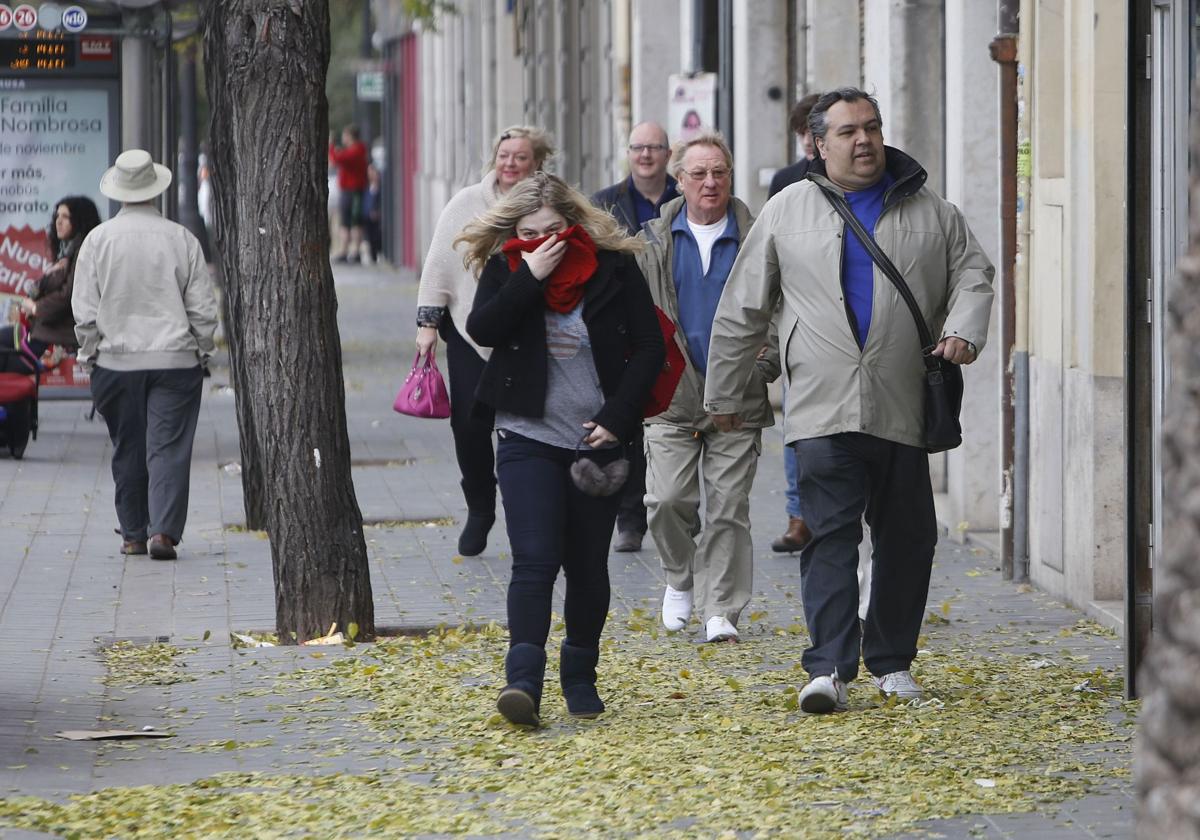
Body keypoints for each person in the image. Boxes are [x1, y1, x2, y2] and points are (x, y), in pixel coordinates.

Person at [704, 88, 995, 712]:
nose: (863, 141)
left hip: (903, 402)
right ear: (818, 144)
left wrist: (965, 328)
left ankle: (891, 661)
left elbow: (975, 271)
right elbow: (741, 308)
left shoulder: (933, 211)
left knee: (909, 539)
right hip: (820, 404)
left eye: (872, 128)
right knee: (829, 536)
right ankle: (829, 667)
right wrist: (726, 396)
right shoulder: (788, 210)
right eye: (847, 132)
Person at [459, 172, 663, 726]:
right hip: (526, 435)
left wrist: (618, 419)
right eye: (529, 231)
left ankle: (580, 674)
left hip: (595, 442)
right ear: (514, 230)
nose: (543, 240)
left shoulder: (613, 267)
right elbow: (484, 329)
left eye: (553, 230)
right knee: (534, 560)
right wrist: (529, 277)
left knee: (588, 566)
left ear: (573, 224)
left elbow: (648, 347)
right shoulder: (508, 265)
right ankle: (522, 681)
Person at [638, 131, 779, 644]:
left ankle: (722, 608)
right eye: (698, 173)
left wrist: (764, 366)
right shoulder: (652, 241)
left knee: (728, 508)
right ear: (679, 180)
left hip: (738, 396)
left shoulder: (759, 237)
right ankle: (679, 576)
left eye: (718, 172)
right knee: (667, 500)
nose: (710, 182)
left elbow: (783, 311)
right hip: (672, 396)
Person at [414, 126, 554, 557]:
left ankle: (528, 513)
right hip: (470, 328)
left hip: (534, 330)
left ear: (538, 163)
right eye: (504, 155)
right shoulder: (467, 203)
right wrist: (428, 324)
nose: (510, 163)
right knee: (470, 425)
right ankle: (479, 504)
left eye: (521, 157)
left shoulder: (550, 205)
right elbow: (440, 263)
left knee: (528, 424)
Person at [72, 149, 218, 561]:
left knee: (128, 447)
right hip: (175, 361)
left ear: (118, 191)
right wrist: (201, 350)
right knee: (168, 448)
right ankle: (164, 533)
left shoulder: (97, 241)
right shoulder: (181, 239)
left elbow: (84, 310)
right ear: (154, 188)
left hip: (115, 364)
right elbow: (203, 310)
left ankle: (133, 534)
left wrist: (90, 354)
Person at [591, 121, 679, 553]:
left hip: (674, 319)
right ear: (628, 153)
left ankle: (679, 511)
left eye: (654, 148)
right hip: (624, 324)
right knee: (629, 423)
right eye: (638, 148)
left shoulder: (686, 198)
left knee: (672, 424)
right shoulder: (604, 205)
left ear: (668, 154)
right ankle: (630, 518)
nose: (645, 155)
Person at [0, 196, 101, 372]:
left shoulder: (82, 253)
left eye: (65, 217)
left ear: (79, 220)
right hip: (44, 332)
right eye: (57, 216)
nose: (58, 221)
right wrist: (51, 273)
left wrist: (35, 308)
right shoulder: (68, 254)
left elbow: (68, 296)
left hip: (56, 340)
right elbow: (37, 289)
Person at [329, 124, 369, 263]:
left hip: (353, 191)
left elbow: (336, 159)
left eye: (345, 135)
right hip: (350, 190)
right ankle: (347, 250)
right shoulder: (358, 150)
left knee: (352, 221)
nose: (343, 138)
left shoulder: (356, 150)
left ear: (351, 136)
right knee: (348, 221)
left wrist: (331, 145)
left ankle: (351, 251)